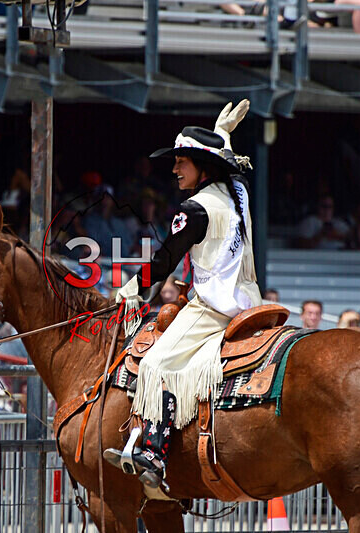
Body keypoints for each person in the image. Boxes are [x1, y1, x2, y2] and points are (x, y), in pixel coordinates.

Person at [105, 101, 261, 488]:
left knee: (156, 364)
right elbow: (229, 170)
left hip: (214, 306)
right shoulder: (236, 196)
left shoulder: (195, 209)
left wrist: (133, 288)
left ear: (202, 167)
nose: (174, 169)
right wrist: (221, 134)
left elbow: (165, 260)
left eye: (182, 162)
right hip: (251, 300)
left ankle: (154, 454)